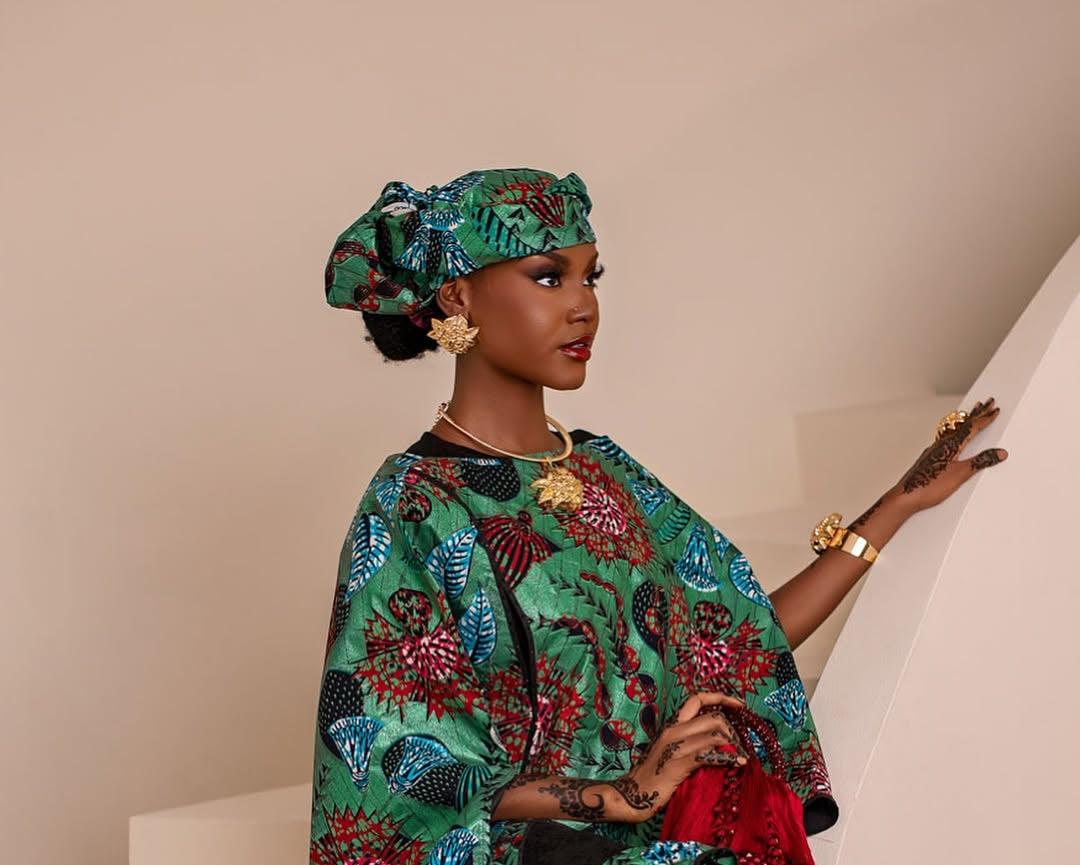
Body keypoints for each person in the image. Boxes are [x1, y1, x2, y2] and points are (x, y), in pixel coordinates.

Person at [308, 168, 1008, 865]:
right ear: (459, 293)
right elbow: (394, 788)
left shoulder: (606, 471)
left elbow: (737, 645)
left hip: (677, 835)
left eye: (592, 277)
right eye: (551, 277)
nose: (584, 306)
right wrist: (614, 793)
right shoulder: (414, 506)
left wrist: (896, 505)